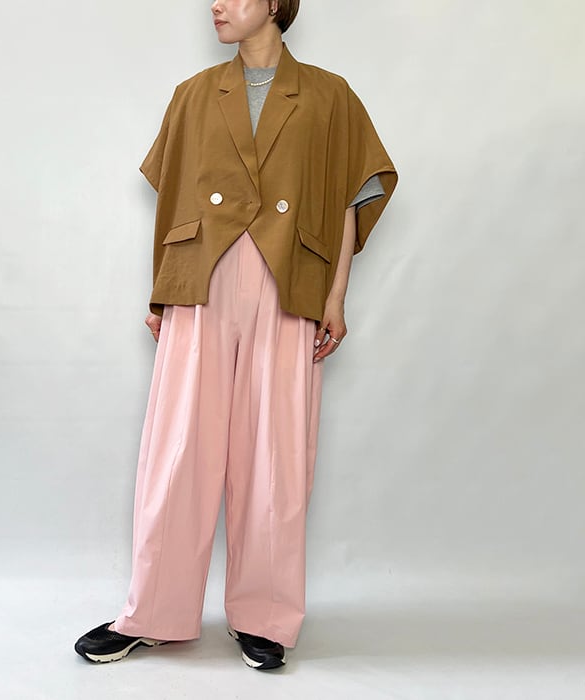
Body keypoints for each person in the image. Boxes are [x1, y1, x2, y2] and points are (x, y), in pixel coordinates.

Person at [75, 0, 397, 671]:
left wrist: (336, 296)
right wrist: (164, 287)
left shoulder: (329, 96)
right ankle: (153, 613)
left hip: (290, 278)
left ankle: (264, 618)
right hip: (203, 279)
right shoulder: (193, 95)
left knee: (276, 454)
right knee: (179, 449)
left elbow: (345, 199)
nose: (217, 5)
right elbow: (173, 200)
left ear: (276, 4)